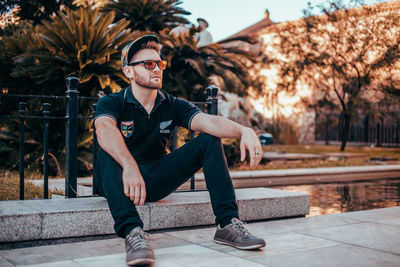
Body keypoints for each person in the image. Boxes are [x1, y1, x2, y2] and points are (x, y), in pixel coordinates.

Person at [94, 34, 266, 266]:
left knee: (209, 141)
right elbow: (103, 128)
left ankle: (227, 224)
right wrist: (129, 165)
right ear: (129, 72)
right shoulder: (113, 102)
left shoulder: (171, 104)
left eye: (159, 63)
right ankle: (133, 233)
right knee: (108, 148)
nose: (156, 68)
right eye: (147, 64)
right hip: (119, 180)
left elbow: (209, 122)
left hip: (153, 180)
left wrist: (244, 130)